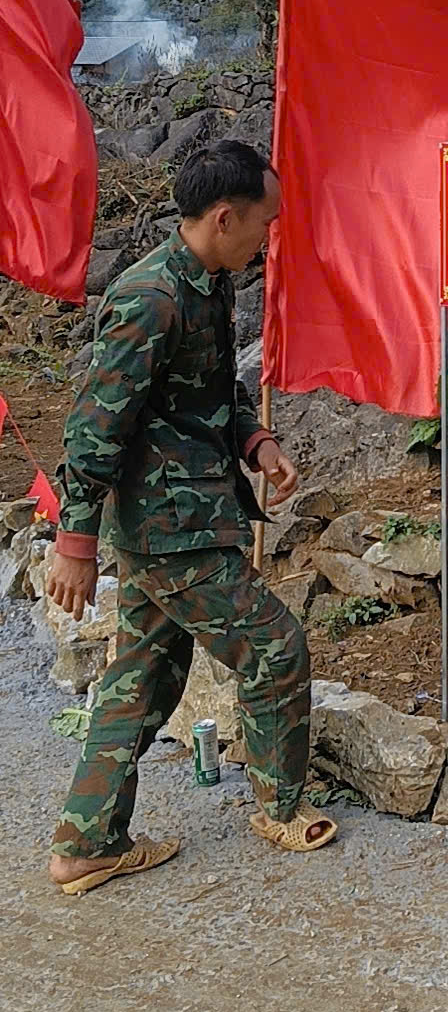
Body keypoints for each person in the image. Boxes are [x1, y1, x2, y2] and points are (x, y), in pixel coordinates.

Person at [45, 141, 336, 897]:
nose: (270, 238)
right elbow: (93, 429)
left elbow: (209, 391)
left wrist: (257, 441)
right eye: (265, 225)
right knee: (275, 647)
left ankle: (86, 845)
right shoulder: (151, 299)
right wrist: (75, 542)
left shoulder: (209, 282)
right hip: (171, 526)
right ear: (224, 217)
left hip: (188, 513)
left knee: (139, 680)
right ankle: (278, 806)